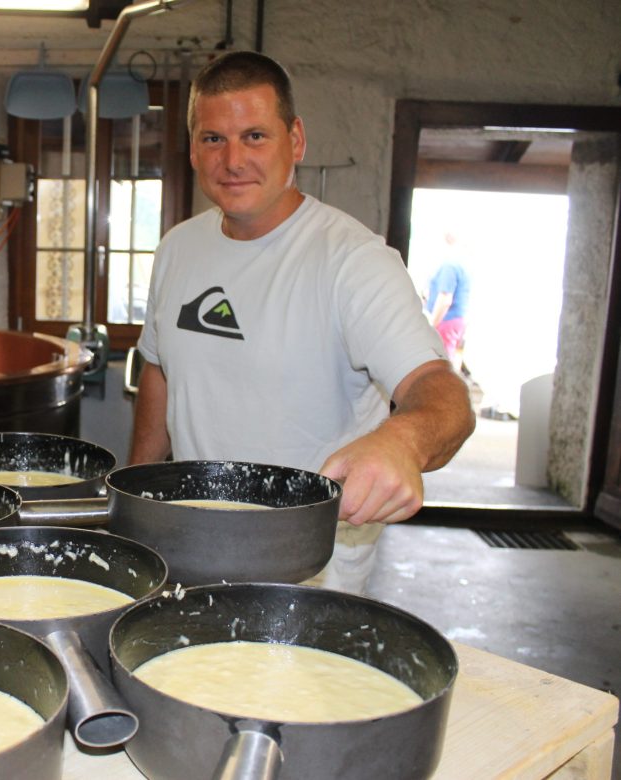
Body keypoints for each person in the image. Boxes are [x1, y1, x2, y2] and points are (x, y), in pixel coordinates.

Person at [129, 51, 475, 594]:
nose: (233, 160)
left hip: (312, 563)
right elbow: (159, 370)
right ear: (193, 148)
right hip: (194, 539)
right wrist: (137, 495)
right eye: (213, 138)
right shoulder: (178, 248)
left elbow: (443, 394)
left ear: (297, 140)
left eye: (255, 136)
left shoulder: (352, 260)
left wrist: (402, 442)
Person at [426, 232, 472, 371]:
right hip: (455, 322)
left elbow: (445, 299)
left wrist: (431, 327)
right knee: (449, 361)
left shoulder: (449, 265)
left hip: (445, 322)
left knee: (441, 364)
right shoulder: (461, 264)